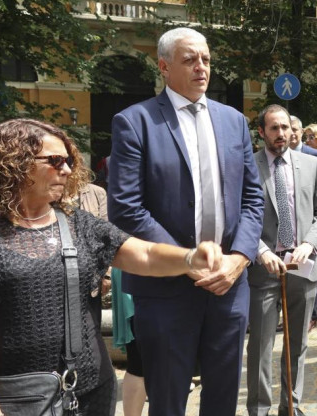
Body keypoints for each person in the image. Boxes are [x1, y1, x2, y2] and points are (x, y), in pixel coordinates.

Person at [0, 118, 224, 416]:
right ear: (16, 163)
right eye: (55, 160)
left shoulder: (79, 223)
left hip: (89, 397)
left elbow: (145, 254)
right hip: (12, 402)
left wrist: (189, 258)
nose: (66, 169)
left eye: (68, 161)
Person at [107, 27, 265, 416]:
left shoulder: (233, 121)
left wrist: (240, 258)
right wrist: (185, 260)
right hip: (165, 290)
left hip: (228, 284)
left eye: (206, 59)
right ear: (164, 67)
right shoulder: (135, 122)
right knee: (168, 400)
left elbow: (252, 198)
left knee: (223, 397)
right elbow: (126, 208)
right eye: (190, 59)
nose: (201, 67)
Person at [246, 105, 317, 416]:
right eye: (274, 128)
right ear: (262, 132)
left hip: (304, 267)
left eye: (285, 127)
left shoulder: (311, 165)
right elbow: (239, 218)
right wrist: (260, 250)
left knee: (298, 344)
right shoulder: (248, 166)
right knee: (260, 345)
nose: (281, 133)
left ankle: (291, 407)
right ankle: (258, 408)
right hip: (263, 268)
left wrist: (309, 243)